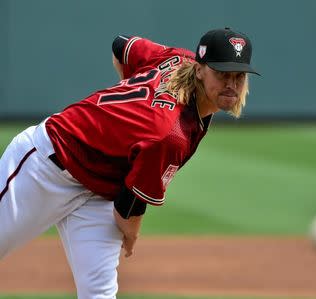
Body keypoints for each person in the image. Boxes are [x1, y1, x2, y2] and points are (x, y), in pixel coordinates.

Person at [0, 28, 258, 298]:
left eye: (238, 76)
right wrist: (131, 235)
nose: (231, 84)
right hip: (48, 164)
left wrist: (131, 102)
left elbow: (121, 45)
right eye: (221, 73)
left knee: (99, 294)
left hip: (100, 191)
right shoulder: (170, 134)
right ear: (199, 70)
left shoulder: (177, 59)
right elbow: (128, 210)